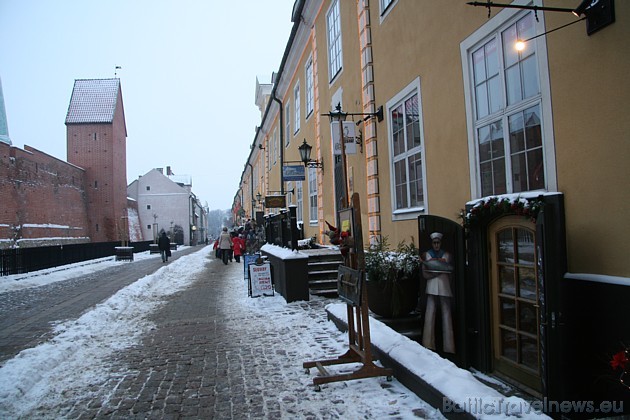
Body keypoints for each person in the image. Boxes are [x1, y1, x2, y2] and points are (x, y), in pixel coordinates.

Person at [422, 232, 455, 353]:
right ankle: (428, 343)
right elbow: (425, 273)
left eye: (438, 242)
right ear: (432, 243)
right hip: (431, 286)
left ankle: (449, 346)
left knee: (446, 314)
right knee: (430, 313)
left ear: (441, 243)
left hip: (444, 286)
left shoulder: (447, 255)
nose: (436, 245)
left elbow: (451, 272)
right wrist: (433, 274)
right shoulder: (427, 255)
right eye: (434, 243)